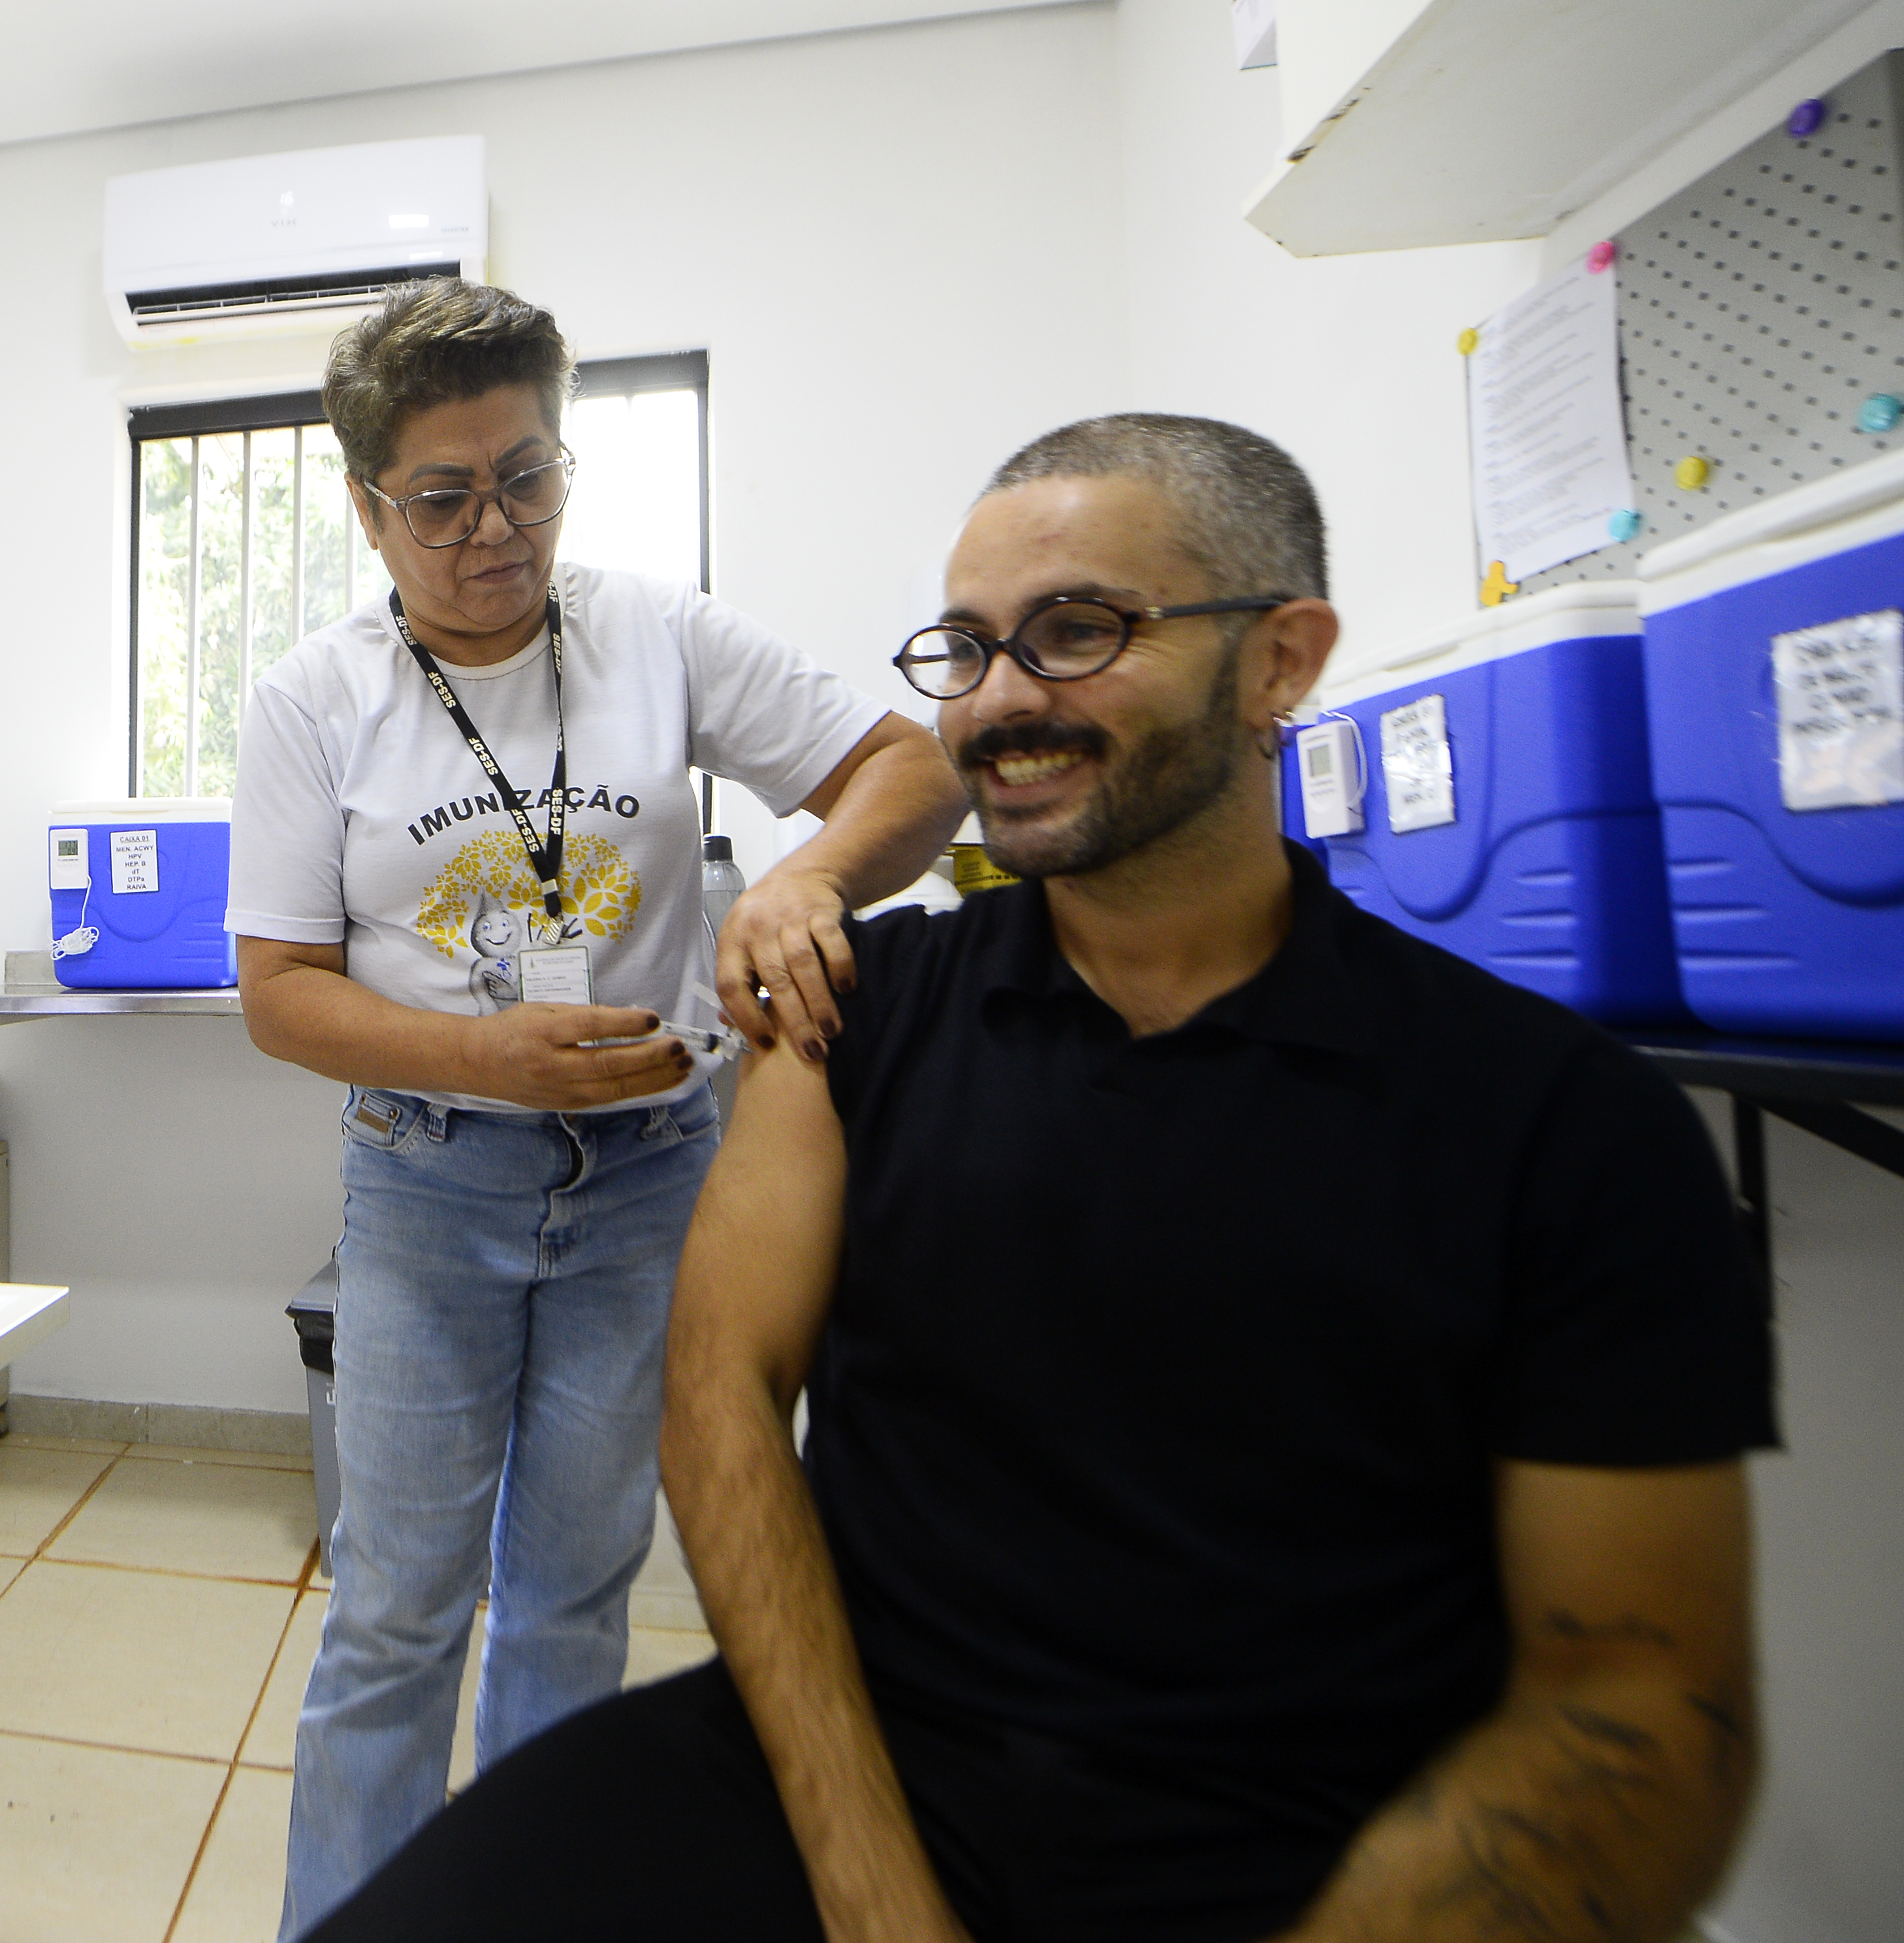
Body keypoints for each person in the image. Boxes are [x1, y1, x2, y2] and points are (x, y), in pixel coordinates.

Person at [301, 414, 1777, 1943]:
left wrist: (805, 870)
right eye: (969, 649)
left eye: (1078, 633)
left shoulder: (1558, 1123)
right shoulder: (855, 1022)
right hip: (861, 1780)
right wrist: (878, 1898)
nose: (1001, 701)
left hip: (1305, 1833)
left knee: (558, 1598)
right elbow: (721, 1391)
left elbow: (1640, 1706)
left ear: (1282, 660)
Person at [227, 279, 967, 1935]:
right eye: (443, 496)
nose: (497, 529)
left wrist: (806, 882)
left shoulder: (658, 630)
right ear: (366, 508)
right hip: (428, 1187)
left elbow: (911, 771)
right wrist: (487, 1058)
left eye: (532, 476)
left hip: (651, 1183)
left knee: (571, 1596)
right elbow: (280, 994)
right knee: (398, 1612)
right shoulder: (309, 701)